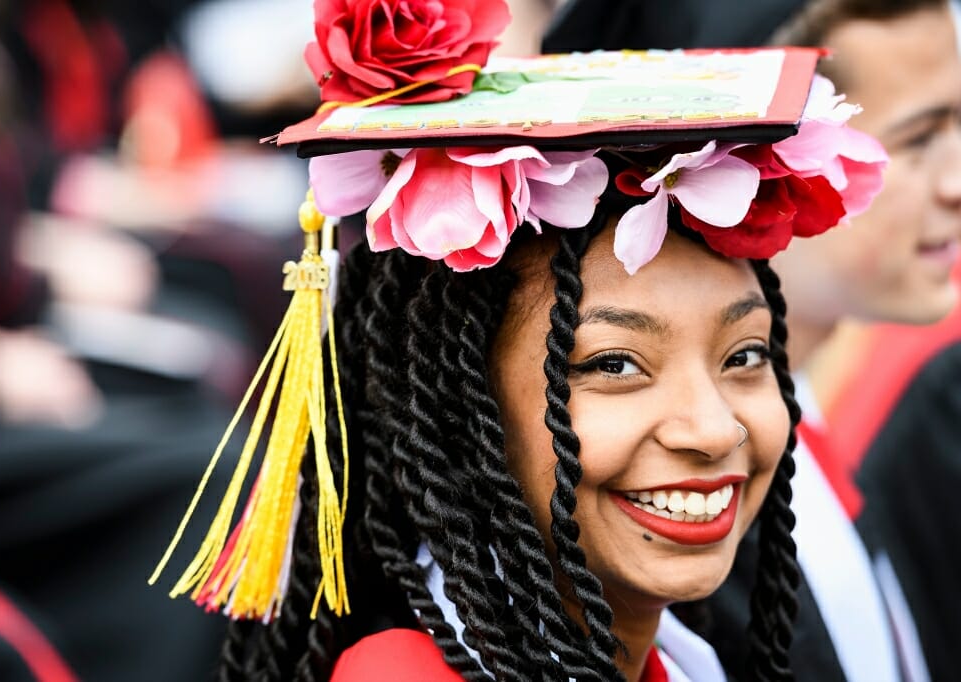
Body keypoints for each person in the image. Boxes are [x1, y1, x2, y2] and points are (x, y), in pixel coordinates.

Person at [148, 4, 887, 679]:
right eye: (615, 364)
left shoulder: (670, 655)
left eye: (746, 356)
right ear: (458, 414)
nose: (712, 428)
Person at [544, 0, 961, 680]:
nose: (957, 183)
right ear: (765, 162)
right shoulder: (675, 515)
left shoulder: (803, 440)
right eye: (917, 138)